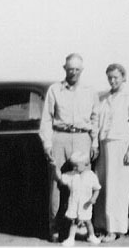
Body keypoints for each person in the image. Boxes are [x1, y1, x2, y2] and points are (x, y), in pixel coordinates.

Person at [39, 53, 100, 242]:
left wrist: (95, 141)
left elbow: (95, 118)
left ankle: (81, 226)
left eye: (77, 69)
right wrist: (47, 143)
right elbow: (47, 119)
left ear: (82, 70)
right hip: (60, 137)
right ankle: (55, 228)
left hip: (83, 138)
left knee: (83, 183)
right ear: (64, 68)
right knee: (57, 184)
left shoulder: (90, 92)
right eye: (70, 68)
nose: (73, 72)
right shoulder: (55, 90)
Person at [93, 63, 129, 242]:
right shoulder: (104, 97)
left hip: (120, 144)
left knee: (116, 187)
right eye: (110, 77)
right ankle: (101, 225)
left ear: (123, 77)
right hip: (103, 143)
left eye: (116, 77)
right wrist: (95, 144)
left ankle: (114, 229)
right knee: (102, 185)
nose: (112, 81)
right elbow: (97, 122)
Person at [49, 152, 101, 246]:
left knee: (88, 221)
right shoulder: (71, 175)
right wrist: (55, 166)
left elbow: (97, 188)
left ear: (86, 165)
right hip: (74, 203)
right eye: (73, 166)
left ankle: (91, 235)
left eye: (76, 166)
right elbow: (60, 178)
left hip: (86, 204)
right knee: (74, 221)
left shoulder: (91, 175)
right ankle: (71, 238)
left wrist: (93, 199)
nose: (74, 168)